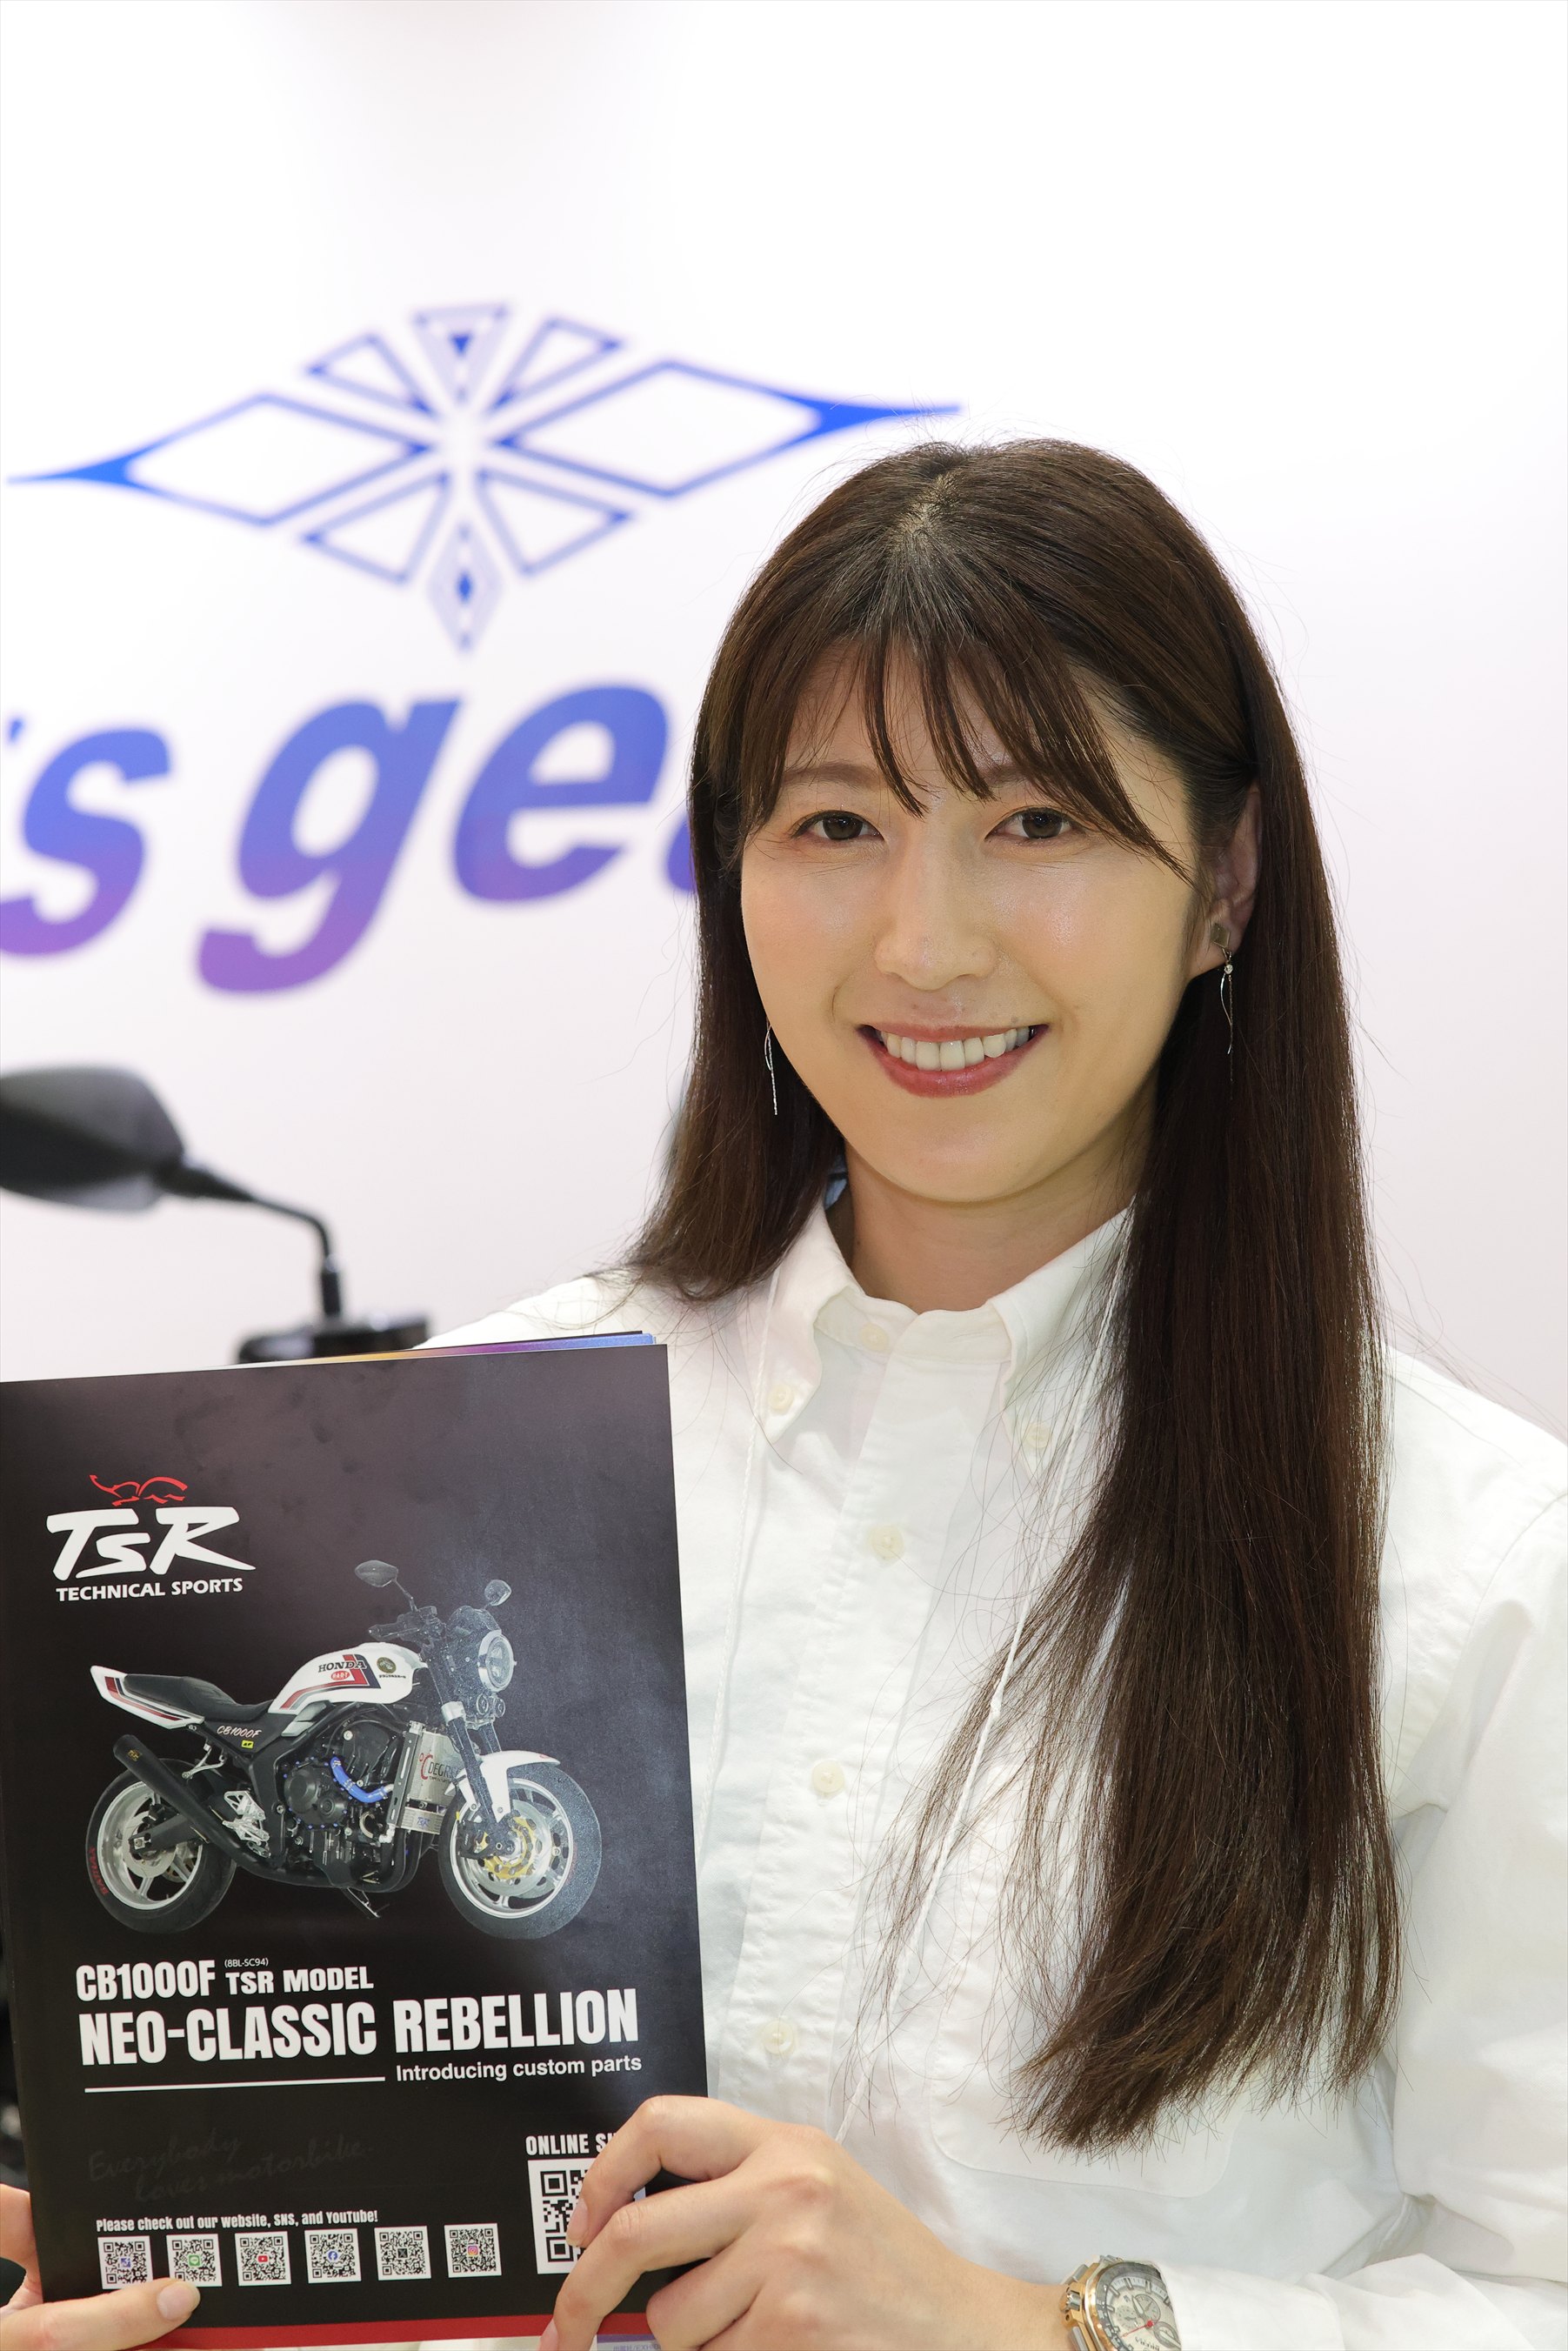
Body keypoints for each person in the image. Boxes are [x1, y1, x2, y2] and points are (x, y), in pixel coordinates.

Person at [4, 442, 1563, 2351]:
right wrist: (170, 2288)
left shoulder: (1472, 1565)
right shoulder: (468, 1447)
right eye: (835, 825)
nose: (925, 941)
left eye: (1035, 820)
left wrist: (1031, 2326)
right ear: (732, 873)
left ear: (1223, 883)